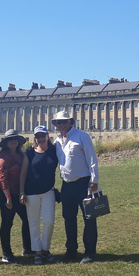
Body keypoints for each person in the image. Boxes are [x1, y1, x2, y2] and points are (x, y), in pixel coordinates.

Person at [53, 110, 100, 264]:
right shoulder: (57, 141)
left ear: (70, 122)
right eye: (58, 122)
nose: (60, 125)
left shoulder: (81, 136)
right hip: (66, 185)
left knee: (89, 218)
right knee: (68, 219)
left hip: (84, 183)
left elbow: (92, 158)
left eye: (63, 122)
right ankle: (71, 250)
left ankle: (90, 252)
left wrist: (94, 180)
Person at [19, 125, 60, 265]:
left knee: (49, 221)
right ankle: (38, 252)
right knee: (34, 222)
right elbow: (23, 173)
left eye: (43, 136)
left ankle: (45, 249)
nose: (41, 139)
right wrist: (22, 192)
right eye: (38, 136)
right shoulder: (29, 153)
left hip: (48, 191)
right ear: (34, 138)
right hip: (31, 193)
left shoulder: (54, 151)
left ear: (47, 136)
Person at [0, 129, 31, 263]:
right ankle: (6, 253)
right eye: (10, 140)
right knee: (7, 222)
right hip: (5, 193)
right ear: (6, 143)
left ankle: (27, 248)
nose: (13, 142)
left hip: (19, 192)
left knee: (27, 219)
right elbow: (2, 178)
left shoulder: (21, 156)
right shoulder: (4, 157)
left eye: (15, 139)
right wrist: (8, 197)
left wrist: (22, 192)